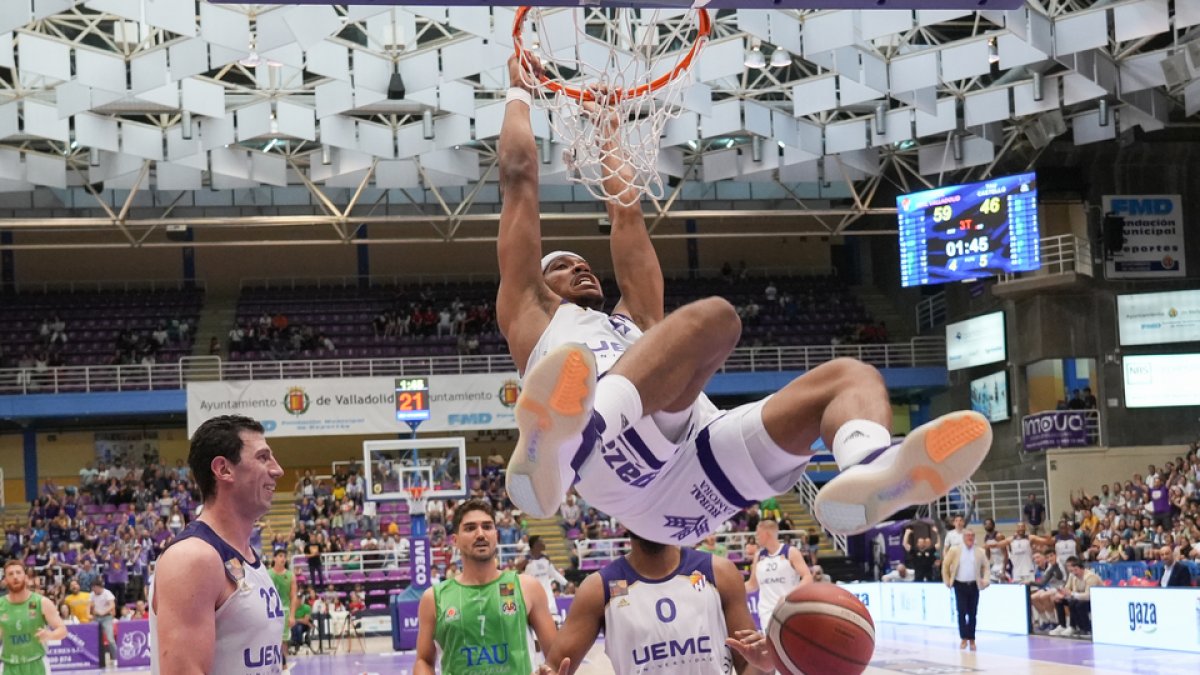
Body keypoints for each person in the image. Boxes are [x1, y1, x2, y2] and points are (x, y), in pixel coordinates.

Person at [496, 53, 991, 544]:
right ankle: (573, 439)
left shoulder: (635, 321)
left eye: (581, 261)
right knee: (716, 319)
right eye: (560, 265)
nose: (579, 265)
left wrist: (607, 138)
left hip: (697, 472)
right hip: (616, 467)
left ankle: (870, 465)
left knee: (852, 376)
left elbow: (627, 216)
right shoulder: (531, 313)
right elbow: (518, 177)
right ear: (539, 283)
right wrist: (518, 93)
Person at [150, 415, 287, 674]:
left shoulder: (247, 556)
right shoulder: (193, 558)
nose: (277, 470)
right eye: (262, 457)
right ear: (223, 469)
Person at [538, 532, 775, 675]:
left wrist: (766, 665)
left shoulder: (717, 572)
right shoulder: (602, 588)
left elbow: (749, 666)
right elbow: (555, 667)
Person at [414, 498, 558, 675]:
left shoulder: (527, 587)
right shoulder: (434, 598)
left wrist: (550, 671)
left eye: (487, 527)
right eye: (470, 528)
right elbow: (424, 661)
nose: (480, 534)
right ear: (455, 540)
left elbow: (555, 655)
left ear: (496, 536)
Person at [0, 560, 68, 675]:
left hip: (37, 665)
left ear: (26, 577)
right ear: (5, 580)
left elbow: (63, 630)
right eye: (10, 574)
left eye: (18, 572)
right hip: (9, 666)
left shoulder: (42, 602)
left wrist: (50, 635)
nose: (15, 576)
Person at [745, 519, 812, 633]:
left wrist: (789, 596)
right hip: (767, 612)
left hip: (788, 609)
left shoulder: (790, 551)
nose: (756, 537)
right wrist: (728, 590)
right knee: (772, 647)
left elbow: (808, 577)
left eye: (758, 534)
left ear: (767, 534)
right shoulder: (759, 556)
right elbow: (752, 584)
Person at [942, 529, 988, 651]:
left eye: (972, 535)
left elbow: (986, 567)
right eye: (968, 535)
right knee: (961, 612)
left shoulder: (980, 551)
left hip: (974, 585)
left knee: (973, 613)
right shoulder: (954, 550)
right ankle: (963, 638)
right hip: (959, 585)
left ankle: (972, 638)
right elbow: (945, 565)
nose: (970, 538)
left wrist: (986, 580)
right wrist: (947, 580)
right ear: (963, 537)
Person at [1050, 557, 1101, 637]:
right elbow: (1067, 588)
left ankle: (1086, 629)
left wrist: (1072, 594)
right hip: (1079, 598)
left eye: (1075, 570)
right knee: (1058, 600)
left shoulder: (1090, 577)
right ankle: (1063, 626)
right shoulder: (1072, 575)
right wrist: (1062, 593)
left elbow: (1088, 596)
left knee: (1077, 604)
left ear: (1081, 568)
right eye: (1071, 570)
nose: (1074, 572)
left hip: (1095, 600)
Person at [521, 535, 568, 616]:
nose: (544, 544)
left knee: (554, 619)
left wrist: (566, 583)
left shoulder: (545, 559)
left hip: (548, 596)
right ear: (535, 545)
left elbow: (554, 573)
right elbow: (519, 574)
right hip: (533, 597)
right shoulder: (526, 560)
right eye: (541, 542)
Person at [269, 549, 299, 670]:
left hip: (284, 611)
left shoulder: (290, 575)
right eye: (280, 556)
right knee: (271, 640)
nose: (283, 558)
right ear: (274, 558)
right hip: (270, 611)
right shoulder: (267, 574)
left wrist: (292, 615)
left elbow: (293, 596)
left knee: (283, 641)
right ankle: (277, 665)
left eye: (284, 556)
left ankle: (284, 665)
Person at [89, 579, 118, 667]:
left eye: (94, 588)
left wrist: (103, 612)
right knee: (93, 639)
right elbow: (90, 605)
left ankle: (115, 658)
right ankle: (95, 659)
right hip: (96, 618)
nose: (93, 590)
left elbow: (112, 605)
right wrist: (92, 612)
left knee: (110, 639)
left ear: (98, 587)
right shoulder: (92, 595)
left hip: (107, 618)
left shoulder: (107, 593)